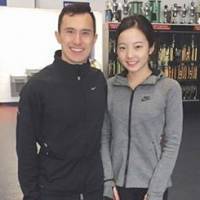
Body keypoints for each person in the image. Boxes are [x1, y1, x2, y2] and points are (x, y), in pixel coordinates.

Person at [16, 3, 107, 200]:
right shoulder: (37, 87)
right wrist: (32, 195)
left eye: (85, 33)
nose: (77, 40)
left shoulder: (99, 80)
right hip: (52, 190)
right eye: (70, 31)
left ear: (94, 38)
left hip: (94, 190)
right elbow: (25, 149)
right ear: (58, 36)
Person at [101, 15, 183, 200]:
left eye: (138, 46)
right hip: (114, 189)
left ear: (151, 47)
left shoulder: (169, 88)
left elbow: (172, 144)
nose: (130, 55)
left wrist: (155, 191)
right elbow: (104, 136)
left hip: (150, 188)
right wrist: (107, 181)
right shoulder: (109, 87)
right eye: (123, 48)